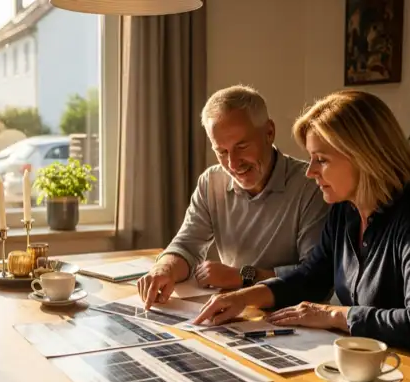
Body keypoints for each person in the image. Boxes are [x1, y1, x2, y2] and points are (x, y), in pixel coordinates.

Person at [193, 90, 410, 363]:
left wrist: (335, 315)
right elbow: (311, 277)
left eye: (322, 160)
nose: (310, 171)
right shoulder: (344, 210)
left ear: (363, 156)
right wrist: (244, 296)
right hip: (373, 363)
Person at [138, 85, 329, 310]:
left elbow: (315, 277)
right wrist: (163, 269)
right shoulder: (211, 182)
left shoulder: (313, 185)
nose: (233, 163)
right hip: (233, 311)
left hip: (293, 315)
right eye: (222, 152)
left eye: (242, 146)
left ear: (269, 133)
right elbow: (187, 246)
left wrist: (243, 276)